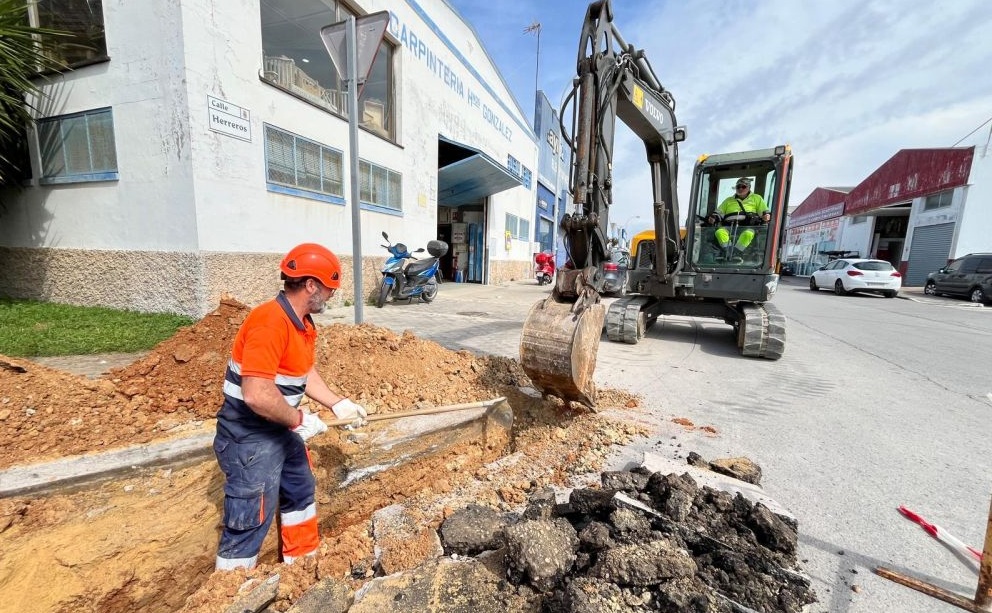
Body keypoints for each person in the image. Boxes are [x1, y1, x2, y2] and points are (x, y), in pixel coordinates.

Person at [213, 242, 368, 571]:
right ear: (311, 285)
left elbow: (302, 372)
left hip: (279, 430)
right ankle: (231, 592)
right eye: (328, 289)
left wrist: (337, 403)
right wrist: (298, 419)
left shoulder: (301, 322)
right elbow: (256, 394)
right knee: (249, 519)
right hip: (249, 438)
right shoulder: (270, 322)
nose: (330, 296)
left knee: (299, 489)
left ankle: (301, 566)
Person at [714, 177, 771, 262]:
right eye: (738, 187)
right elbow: (719, 212)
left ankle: (736, 253)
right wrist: (713, 217)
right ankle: (728, 252)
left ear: (748, 188)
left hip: (748, 226)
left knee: (748, 234)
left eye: (743, 187)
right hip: (729, 227)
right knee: (719, 232)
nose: (740, 189)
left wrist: (766, 215)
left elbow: (764, 212)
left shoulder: (757, 198)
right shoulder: (728, 200)